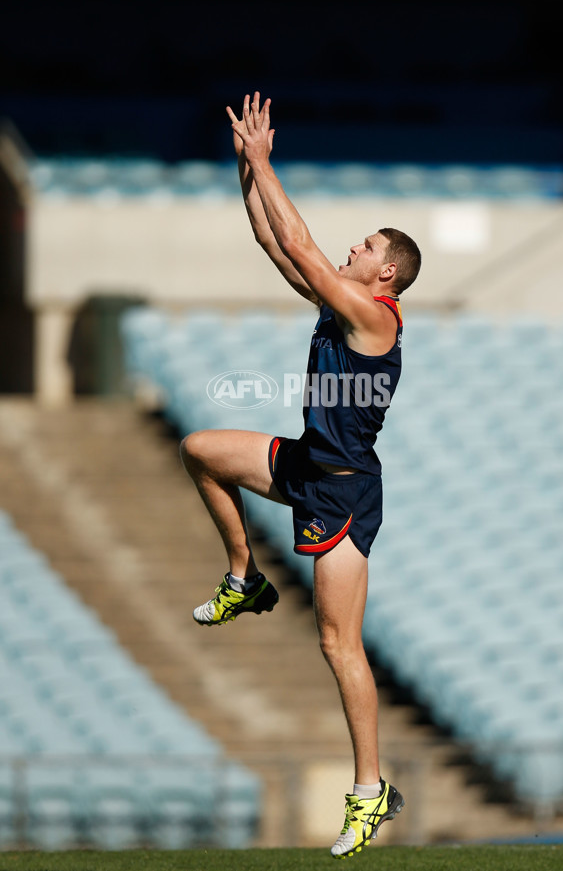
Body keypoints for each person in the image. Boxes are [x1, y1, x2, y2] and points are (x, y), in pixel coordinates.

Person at [180, 92, 422, 858]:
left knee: (337, 646)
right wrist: (246, 167)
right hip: (308, 461)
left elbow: (309, 250)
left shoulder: (373, 316)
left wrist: (267, 161)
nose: (354, 248)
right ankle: (245, 577)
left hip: (343, 490)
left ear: (387, 271)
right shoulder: (339, 304)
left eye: (367, 244)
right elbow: (277, 244)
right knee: (201, 449)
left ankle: (368, 789)